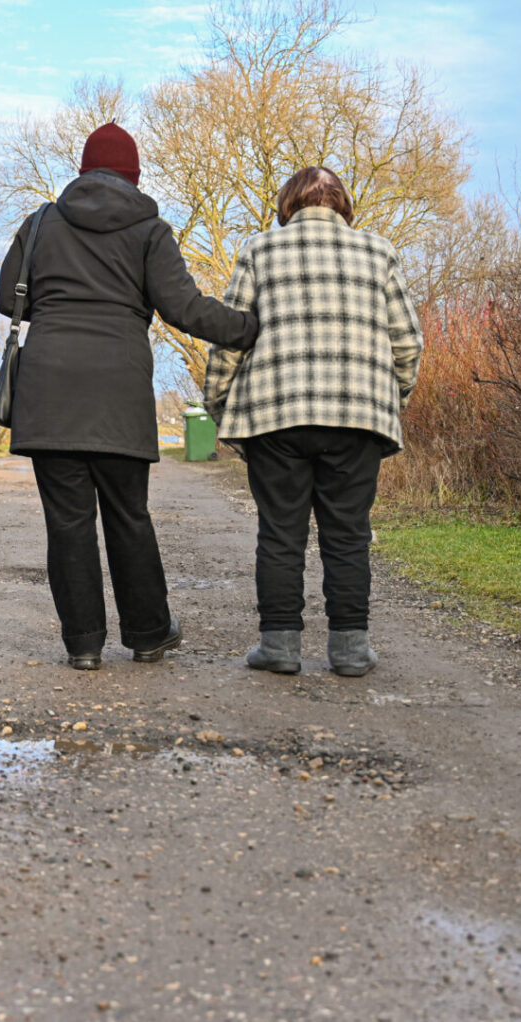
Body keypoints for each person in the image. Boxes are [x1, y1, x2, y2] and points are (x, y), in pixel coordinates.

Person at [0, 123, 258, 671]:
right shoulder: (149, 229)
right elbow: (184, 308)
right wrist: (250, 327)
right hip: (118, 390)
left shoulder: (41, 222)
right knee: (128, 515)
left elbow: (8, 297)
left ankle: (84, 645)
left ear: (83, 170)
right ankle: (148, 633)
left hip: (49, 393)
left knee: (67, 524)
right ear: (134, 175)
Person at [204, 167, 423, 677]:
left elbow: (232, 336)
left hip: (276, 417)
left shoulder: (260, 250)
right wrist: (391, 400)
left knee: (280, 533)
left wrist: (220, 404)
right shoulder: (379, 251)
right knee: (348, 533)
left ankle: (279, 647)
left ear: (288, 206)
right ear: (342, 205)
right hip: (358, 416)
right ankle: (350, 650)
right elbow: (408, 343)